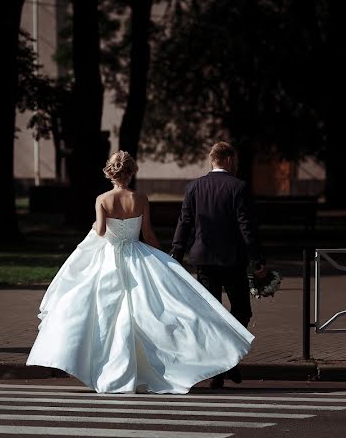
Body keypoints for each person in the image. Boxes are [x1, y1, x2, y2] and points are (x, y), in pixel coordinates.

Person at [26, 150, 254, 394]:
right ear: (131, 173)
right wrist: (166, 259)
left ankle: (109, 367)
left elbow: (101, 231)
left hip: (110, 258)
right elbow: (148, 234)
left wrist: (96, 223)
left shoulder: (102, 199)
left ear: (111, 173)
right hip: (138, 256)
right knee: (151, 310)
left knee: (107, 313)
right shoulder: (141, 198)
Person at [171, 141, 267, 389]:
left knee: (212, 314)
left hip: (203, 260)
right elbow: (247, 227)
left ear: (212, 159)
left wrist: (175, 257)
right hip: (233, 260)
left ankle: (221, 367)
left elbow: (185, 223)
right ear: (228, 160)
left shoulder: (194, 187)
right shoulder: (239, 187)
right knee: (242, 310)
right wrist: (257, 260)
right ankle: (230, 361)